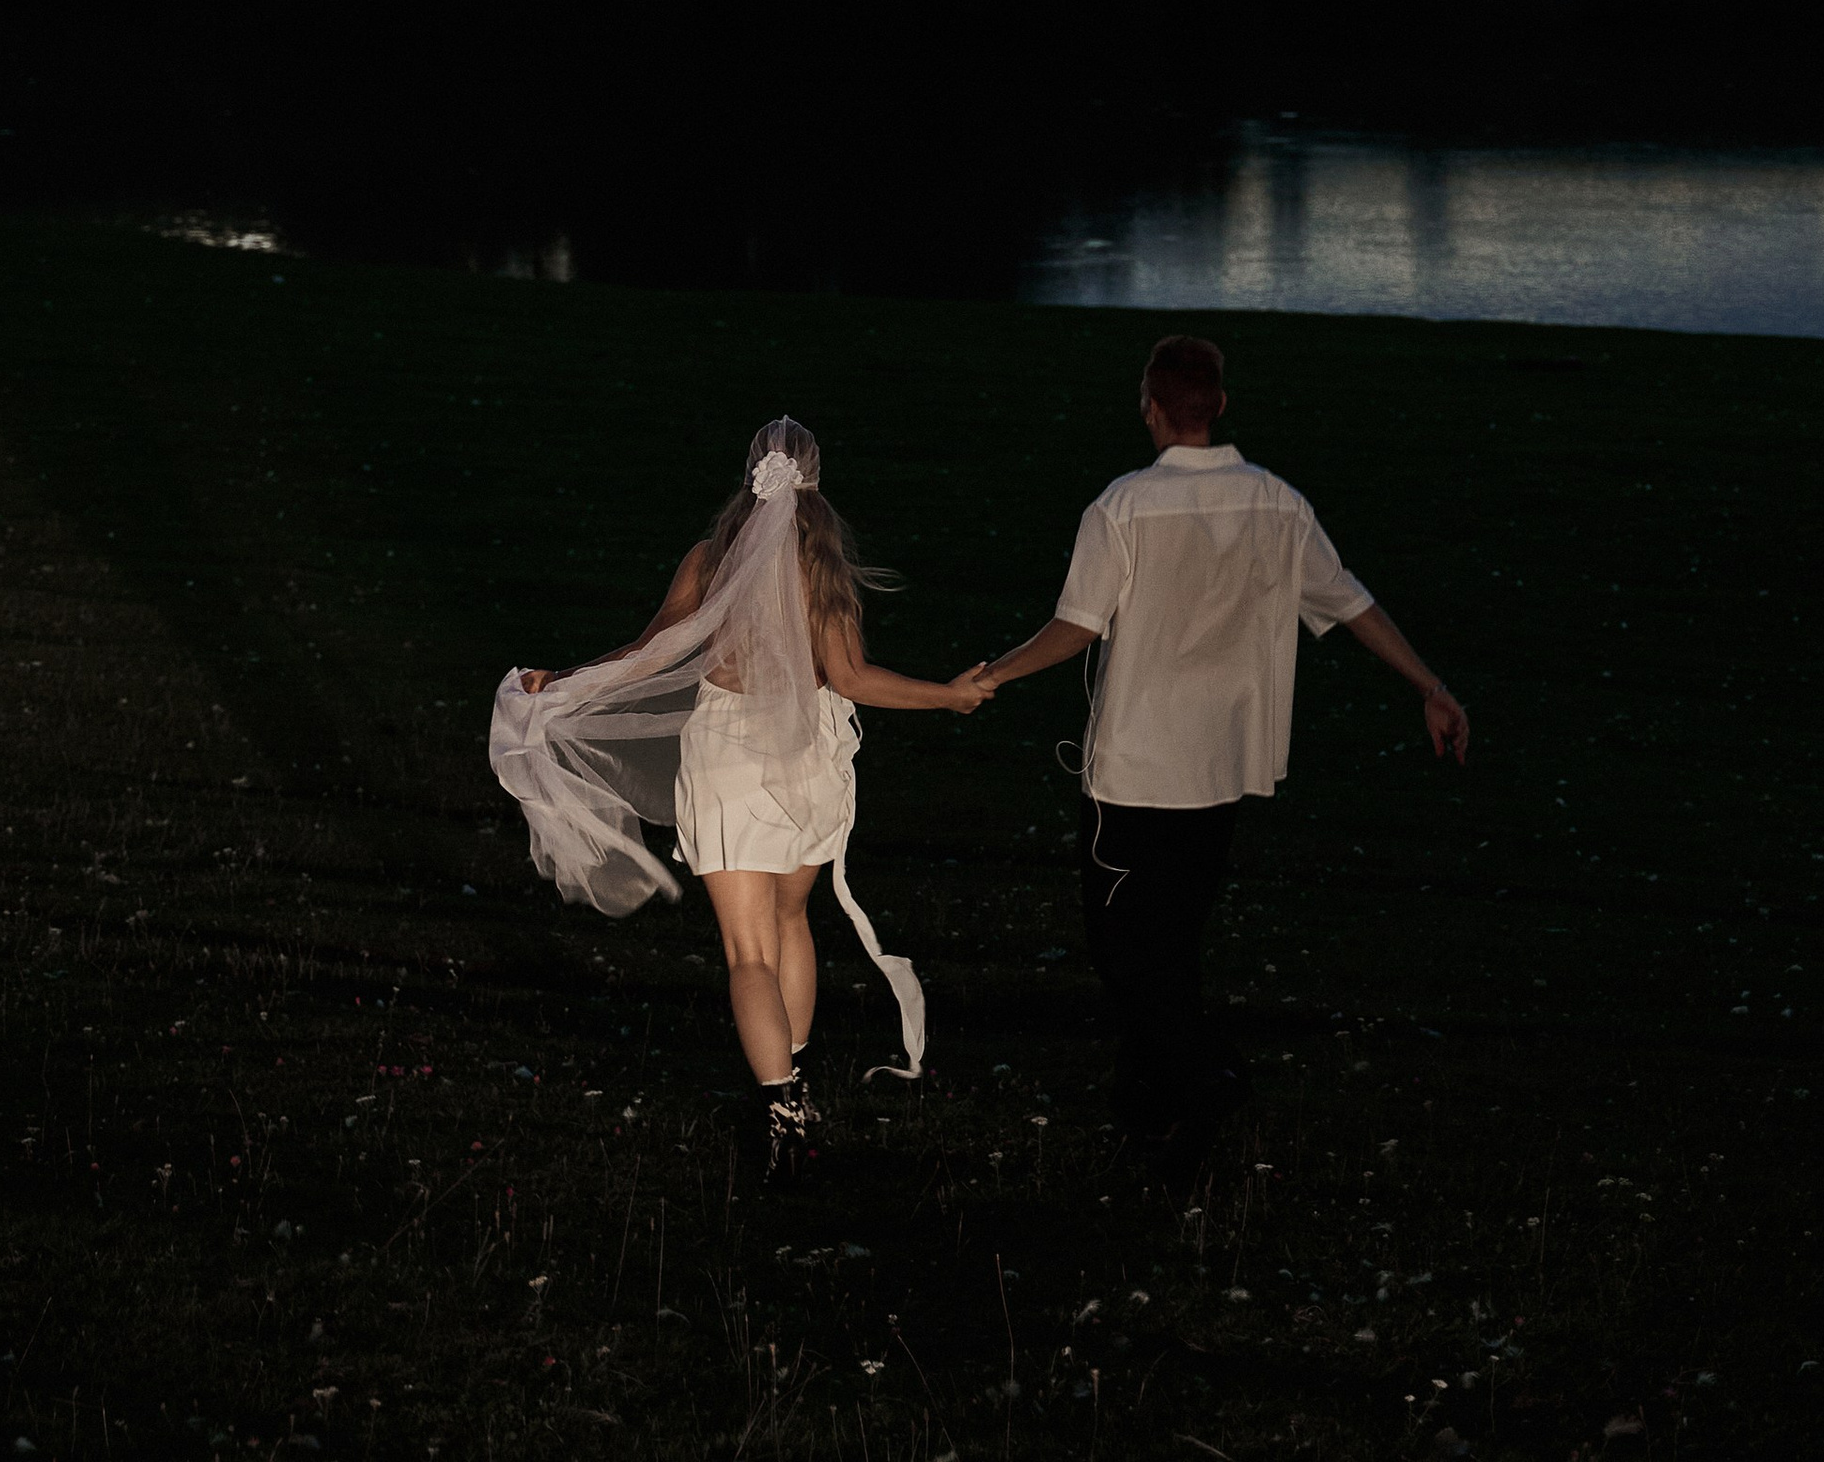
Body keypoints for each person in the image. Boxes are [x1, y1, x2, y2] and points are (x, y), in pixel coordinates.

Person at [979, 334, 1468, 1151]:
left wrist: (987, 677)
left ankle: (1203, 1079)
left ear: (1151, 407)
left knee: (1124, 947)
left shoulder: (1123, 507)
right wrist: (1431, 686)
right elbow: (1350, 605)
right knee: (1171, 937)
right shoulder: (1277, 503)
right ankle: (1149, 1095)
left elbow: (1075, 629)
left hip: (1136, 769)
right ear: (1219, 407)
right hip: (1223, 765)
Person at [491, 417, 991, 1177]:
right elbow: (853, 679)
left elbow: (648, 651)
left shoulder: (712, 559)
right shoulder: (823, 565)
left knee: (747, 950)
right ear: (816, 479)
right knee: (792, 921)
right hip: (809, 756)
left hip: (726, 754)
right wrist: (949, 696)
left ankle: (780, 1105)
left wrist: (559, 683)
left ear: (749, 476)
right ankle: (796, 1088)